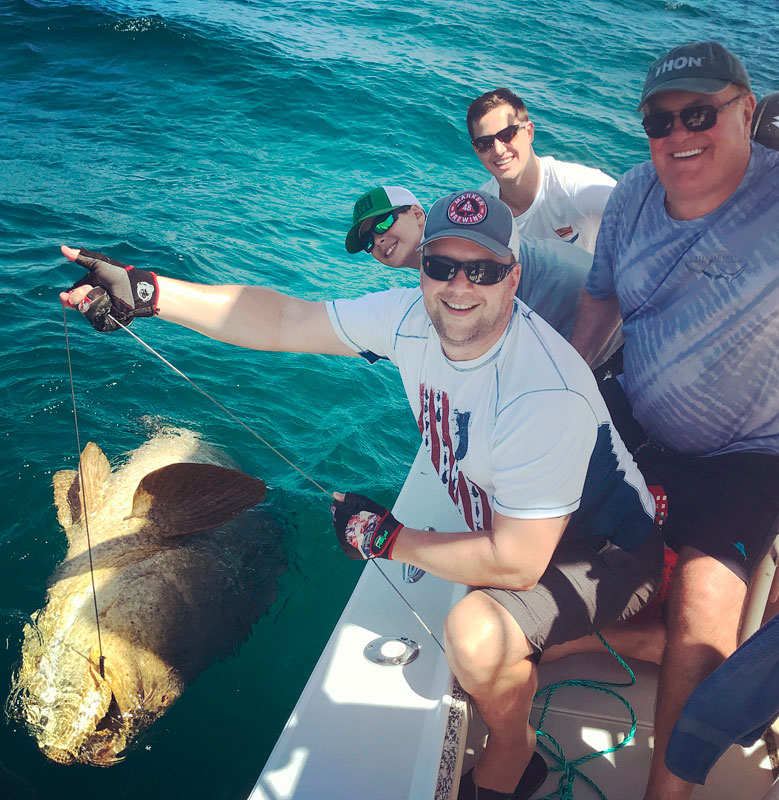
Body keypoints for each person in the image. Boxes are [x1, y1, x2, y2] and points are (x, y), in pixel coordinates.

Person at [60, 190, 663, 800]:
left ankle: (515, 749)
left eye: (482, 270)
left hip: (602, 550)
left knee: (475, 640)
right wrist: (151, 293)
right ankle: (593, 642)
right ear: (422, 267)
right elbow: (282, 319)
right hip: (518, 518)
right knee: (484, 646)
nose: (459, 287)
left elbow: (517, 561)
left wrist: (386, 538)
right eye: (442, 266)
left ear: (513, 276)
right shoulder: (406, 318)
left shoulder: (542, 396)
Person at [569, 41, 779, 800]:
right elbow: (600, 303)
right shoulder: (634, 194)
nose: (678, 133)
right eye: (660, 120)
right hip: (641, 417)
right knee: (537, 531)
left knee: (705, 609)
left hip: (752, 453)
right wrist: (566, 396)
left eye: (698, 113)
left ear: (745, 111)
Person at [344, 183, 598, 343]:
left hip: (607, 324)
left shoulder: (459, 253)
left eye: (383, 224)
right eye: (368, 241)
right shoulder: (441, 270)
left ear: (417, 213)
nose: (378, 239)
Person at [466, 87, 617, 254]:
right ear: (476, 151)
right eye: (485, 143)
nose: (499, 150)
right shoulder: (480, 212)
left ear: (529, 132)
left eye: (507, 134)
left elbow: (638, 213)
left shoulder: (576, 187)